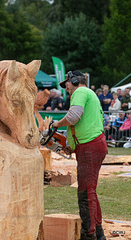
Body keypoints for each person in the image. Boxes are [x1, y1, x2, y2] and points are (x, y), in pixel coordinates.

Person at [52, 70, 107, 240]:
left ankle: (88, 234)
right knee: (90, 190)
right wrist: (71, 145)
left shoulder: (81, 92)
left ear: (75, 81)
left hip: (90, 146)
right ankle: (98, 232)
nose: (66, 88)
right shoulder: (89, 94)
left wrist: (57, 124)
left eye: (67, 84)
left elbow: (74, 116)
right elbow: (86, 123)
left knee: (85, 193)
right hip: (90, 145)